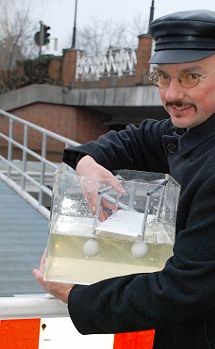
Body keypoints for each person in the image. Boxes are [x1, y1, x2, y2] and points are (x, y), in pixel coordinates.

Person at [33, 9, 215, 349]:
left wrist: (78, 298)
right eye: (163, 77)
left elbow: (180, 289)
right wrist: (86, 160)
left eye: (191, 77)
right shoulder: (197, 132)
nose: (172, 94)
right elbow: (139, 137)